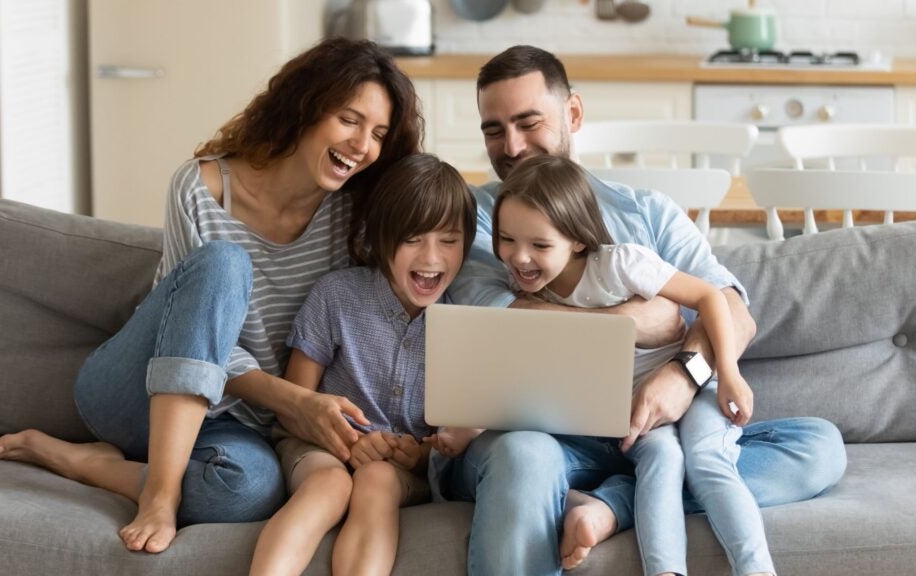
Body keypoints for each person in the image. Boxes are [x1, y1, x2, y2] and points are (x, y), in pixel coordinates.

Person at [0, 37, 422, 554]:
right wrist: (295, 400)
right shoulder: (202, 188)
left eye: (377, 134)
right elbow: (188, 325)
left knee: (246, 492)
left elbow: (433, 236)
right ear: (306, 107)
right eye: (350, 120)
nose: (362, 146)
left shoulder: (354, 217)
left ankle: (89, 463)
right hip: (135, 390)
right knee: (223, 263)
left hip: (237, 421)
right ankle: (160, 491)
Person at [438, 44, 847, 575]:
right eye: (494, 129)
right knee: (524, 457)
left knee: (819, 446)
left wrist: (684, 371)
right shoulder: (476, 221)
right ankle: (621, 497)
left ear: (573, 115)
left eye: (528, 122)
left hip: (649, 432)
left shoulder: (646, 212)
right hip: (546, 441)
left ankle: (613, 505)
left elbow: (730, 310)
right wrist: (636, 322)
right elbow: (505, 322)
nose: (512, 146)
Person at [494, 154, 774, 576]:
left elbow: (711, 297)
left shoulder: (620, 263)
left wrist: (729, 375)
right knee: (663, 456)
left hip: (692, 389)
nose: (519, 257)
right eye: (506, 240)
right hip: (632, 414)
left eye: (539, 245)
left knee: (706, 461)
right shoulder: (532, 288)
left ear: (577, 240)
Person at [248, 154, 480, 576]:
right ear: (381, 238)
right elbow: (293, 406)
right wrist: (351, 443)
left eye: (448, 240)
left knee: (377, 479)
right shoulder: (337, 296)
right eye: (412, 239)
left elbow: (456, 437)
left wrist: (419, 452)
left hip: (400, 471)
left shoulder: (467, 324)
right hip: (319, 448)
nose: (432, 257)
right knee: (329, 485)